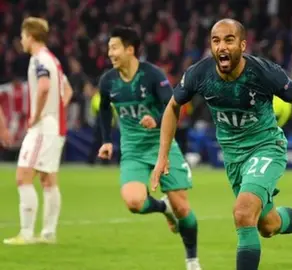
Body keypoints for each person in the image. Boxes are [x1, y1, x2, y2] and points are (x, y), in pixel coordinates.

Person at [151, 19, 292, 270]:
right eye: (216, 41)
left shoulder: (263, 72)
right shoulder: (199, 73)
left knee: (242, 213)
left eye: (229, 40)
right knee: (267, 226)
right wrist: (163, 156)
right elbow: (173, 107)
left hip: (266, 148)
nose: (222, 47)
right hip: (234, 159)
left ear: (242, 44)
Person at [97, 26, 201, 270]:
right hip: (133, 150)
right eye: (109, 48)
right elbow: (103, 109)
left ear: (130, 49)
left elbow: (173, 104)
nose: (109, 53)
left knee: (183, 207)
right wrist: (106, 140)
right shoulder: (108, 81)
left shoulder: (153, 75)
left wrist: (155, 117)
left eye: (114, 47)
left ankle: (192, 260)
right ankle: (162, 207)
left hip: (161, 145)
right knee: (134, 202)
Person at [4, 17, 70, 245]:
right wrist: (55, 110)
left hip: (43, 127)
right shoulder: (54, 60)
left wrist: (38, 114)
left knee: (23, 176)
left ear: (30, 36)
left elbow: (43, 87)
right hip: (55, 126)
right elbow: (67, 91)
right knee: (48, 180)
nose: (21, 41)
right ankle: (48, 234)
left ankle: (26, 233)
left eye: (22, 36)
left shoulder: (38, 60)